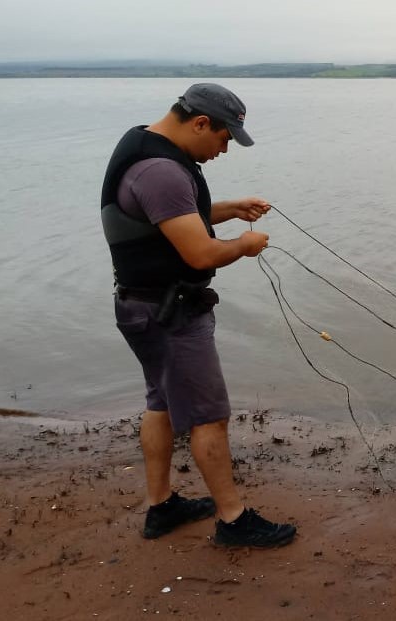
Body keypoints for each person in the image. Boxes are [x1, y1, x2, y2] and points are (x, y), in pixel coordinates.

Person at [100, 83, 297, 548]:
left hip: (139, 306)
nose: (223, 150)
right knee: (209, 416)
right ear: (200, 123)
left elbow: (167, 215)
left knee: (162, 403)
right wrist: (245, 245)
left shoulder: (144, 145)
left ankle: (162, 505)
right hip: (170, 315)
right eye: (225, 139)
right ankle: (233, 520)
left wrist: (229, 209)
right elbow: (199, 253)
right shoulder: (162, 171)